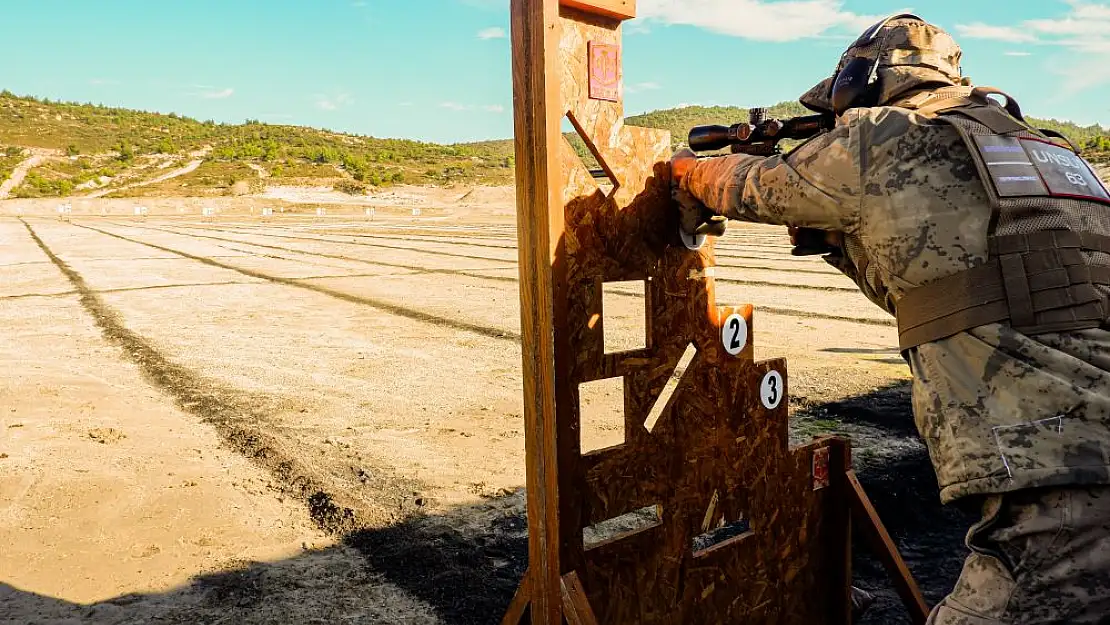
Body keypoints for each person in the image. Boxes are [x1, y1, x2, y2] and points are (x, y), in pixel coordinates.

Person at [671, 14, 1110, 625]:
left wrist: (686, 171)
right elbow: (959, 293)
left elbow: (749, 186)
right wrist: (846, 245)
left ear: (863, 80)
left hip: (1056, 478)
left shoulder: (884, 134)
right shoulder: (1050, 153)